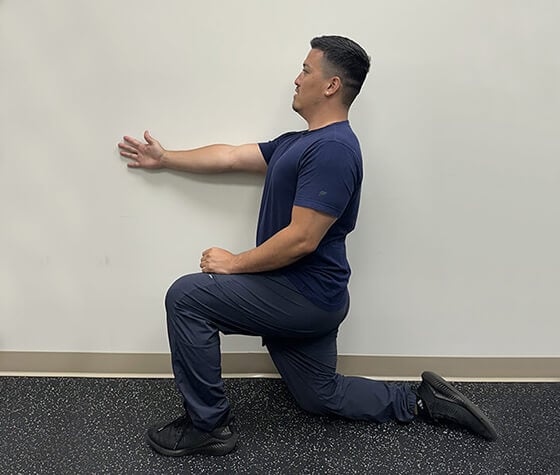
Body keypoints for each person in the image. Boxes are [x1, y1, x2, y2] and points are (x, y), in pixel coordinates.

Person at [118, 35, 497, 457]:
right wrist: (166, 157)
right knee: (319, 396)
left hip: (303, 295)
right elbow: (229, 156)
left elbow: (303, 238)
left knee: (187, 297)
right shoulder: (300, 143)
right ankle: (423, 401)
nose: (296, 80)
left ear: (331, 85)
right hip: (308, 295)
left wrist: (234, 263)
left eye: (305, 70)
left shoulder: (333, 150)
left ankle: (206, 426)